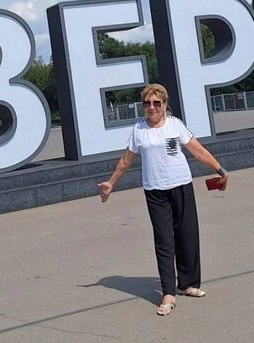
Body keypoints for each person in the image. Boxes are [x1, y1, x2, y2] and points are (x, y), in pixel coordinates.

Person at [98, 83, 229, 316]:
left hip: (181, 185)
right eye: (147, 103)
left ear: (165, 105)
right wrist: (111, 183)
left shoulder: (175, 125)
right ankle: (168, 292)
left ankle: (188, 283)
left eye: (157, 103)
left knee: (187, 235)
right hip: (155, 191)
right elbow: (126, 160)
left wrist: (220, 170)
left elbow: (198, 151)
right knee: (164, 241)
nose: (151, 107)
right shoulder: (139, 129)